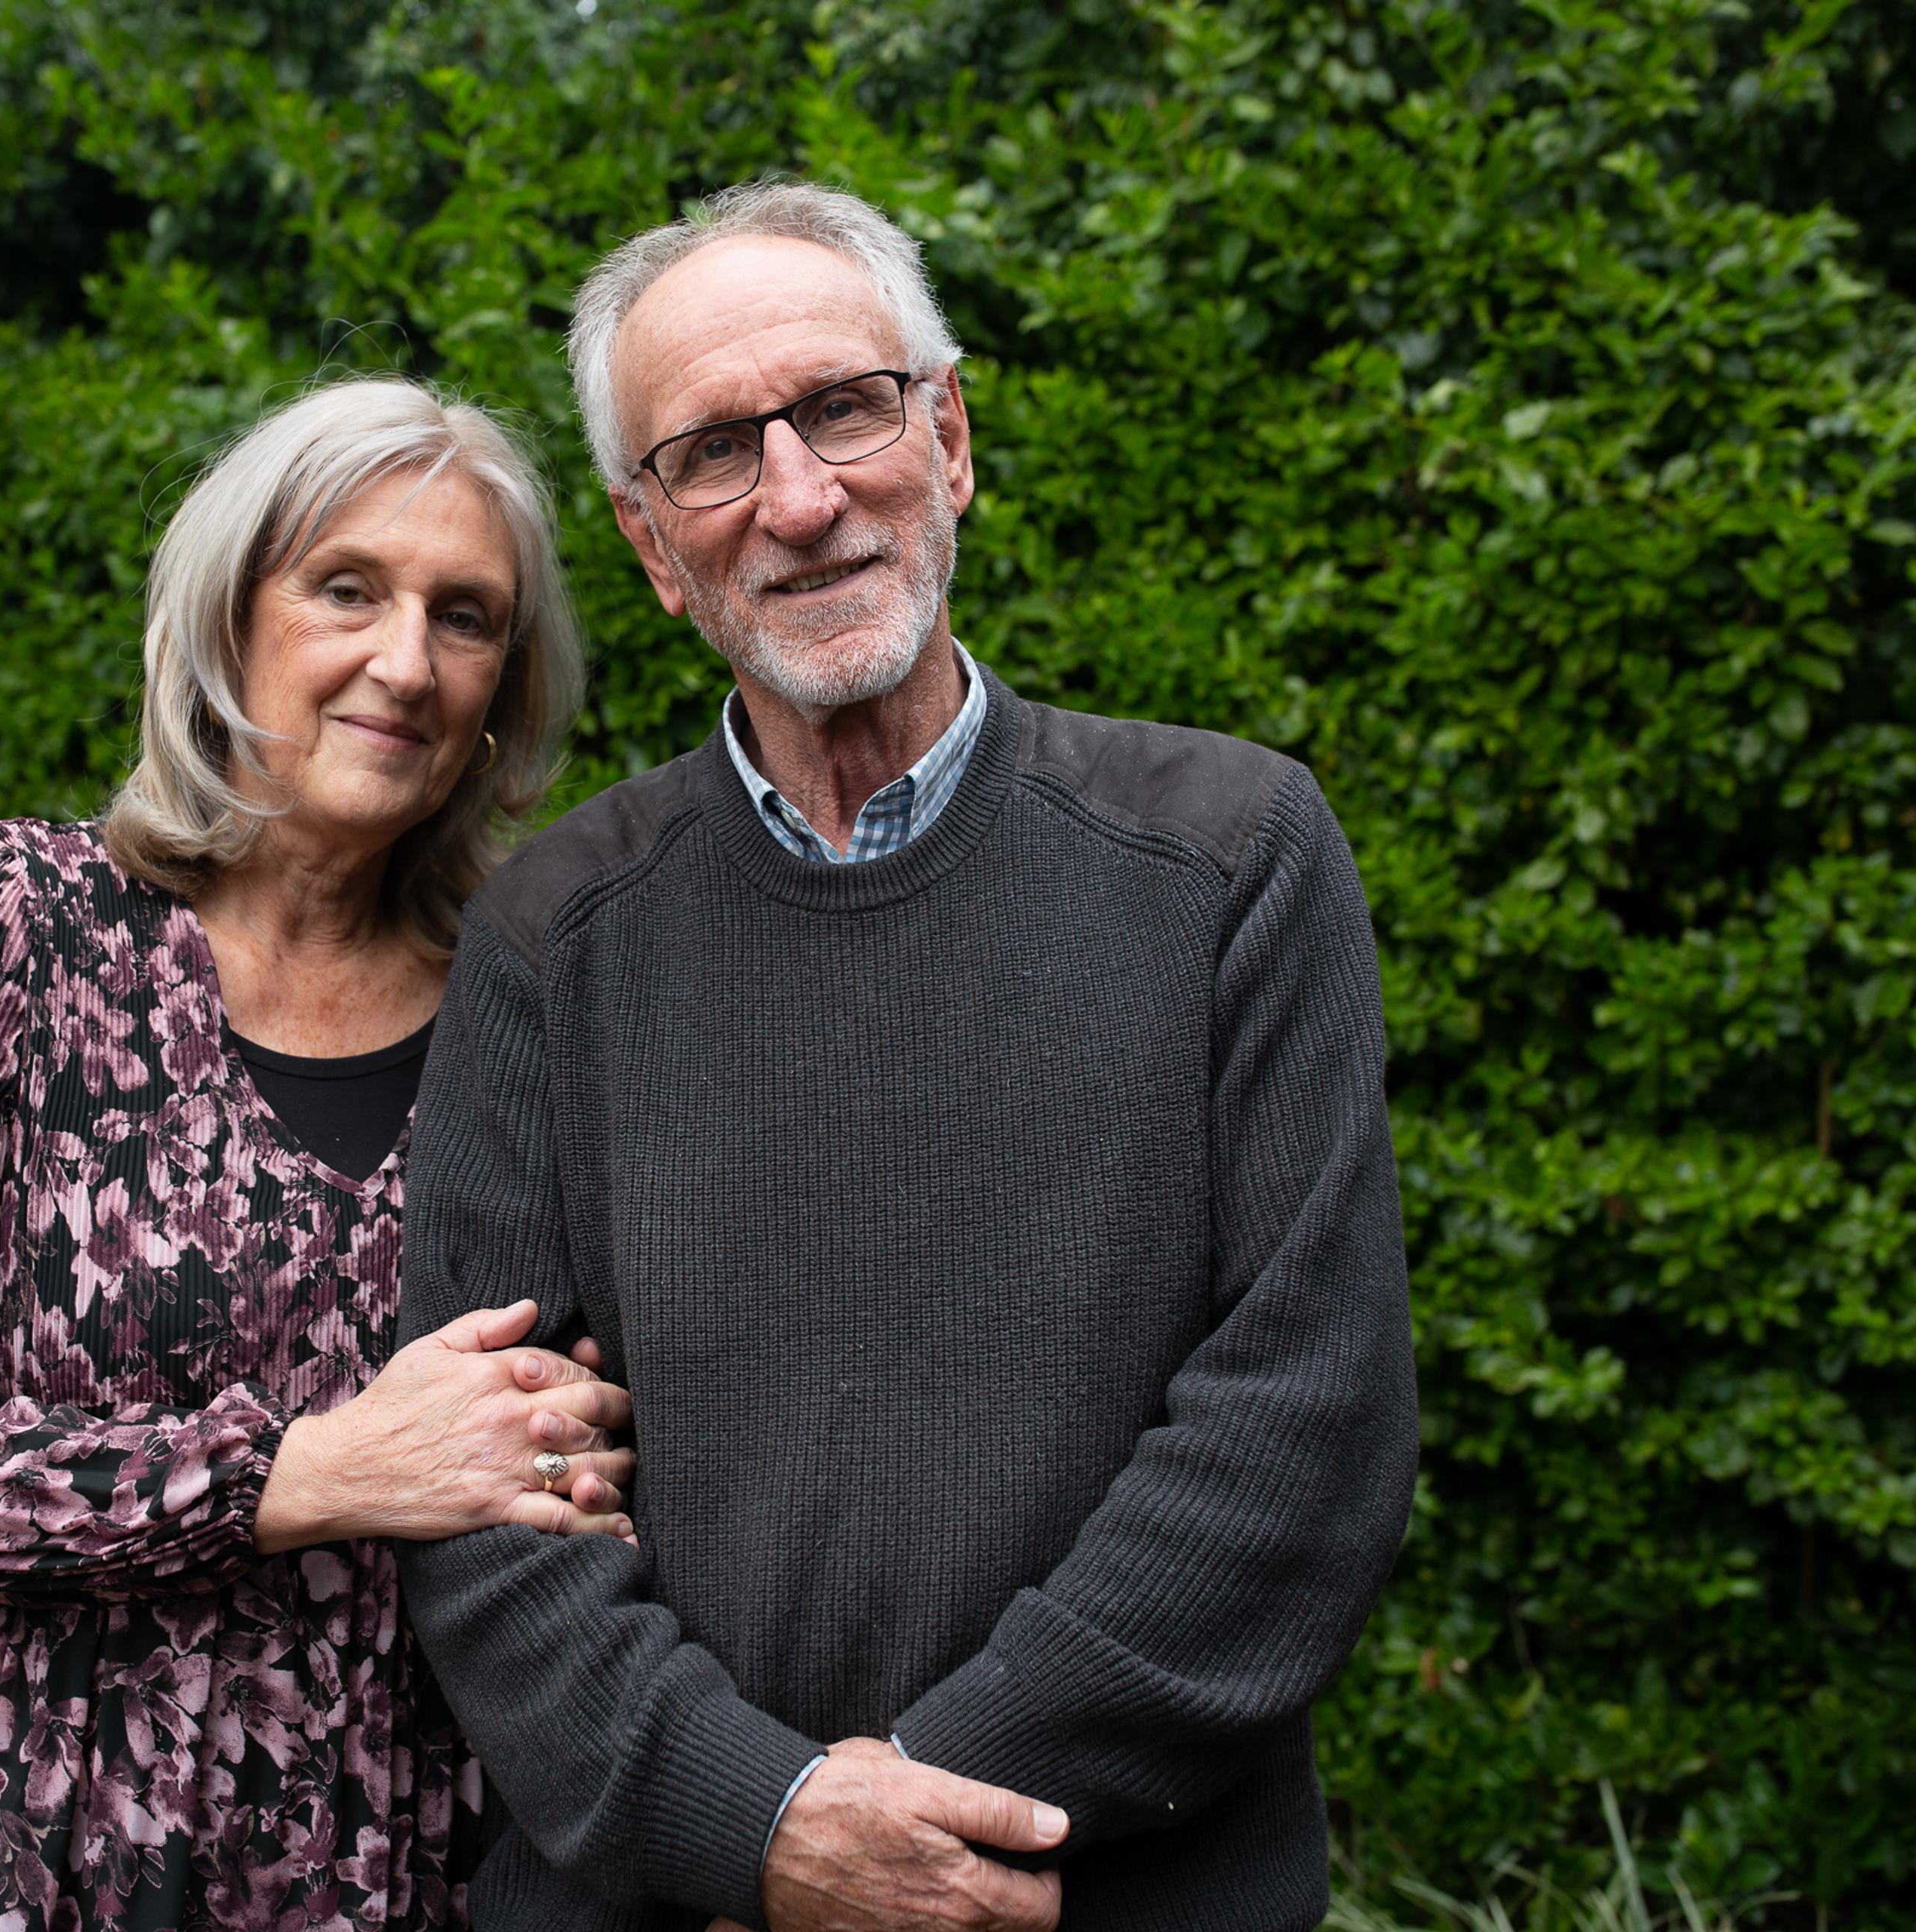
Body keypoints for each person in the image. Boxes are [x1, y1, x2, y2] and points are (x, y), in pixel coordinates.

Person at [394, 181, 1419, 1932]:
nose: (799, 498)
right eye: (713, 452)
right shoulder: (550, 941)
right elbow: (491, 1502)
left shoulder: (1232, 854)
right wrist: (756, 1826)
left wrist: (889, 1837)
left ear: (948, 438)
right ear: (654, 548)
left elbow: (1304, 1430)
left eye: (846, 408)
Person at [0, 377, 630, 1932]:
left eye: (467, 618)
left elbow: (588, 1434)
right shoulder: (10, 933)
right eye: (347, 589)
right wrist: (305, 1471)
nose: (407, 661)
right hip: (42, 1863)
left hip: (429, 1871)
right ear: (230, 612)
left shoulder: (535, 1007)